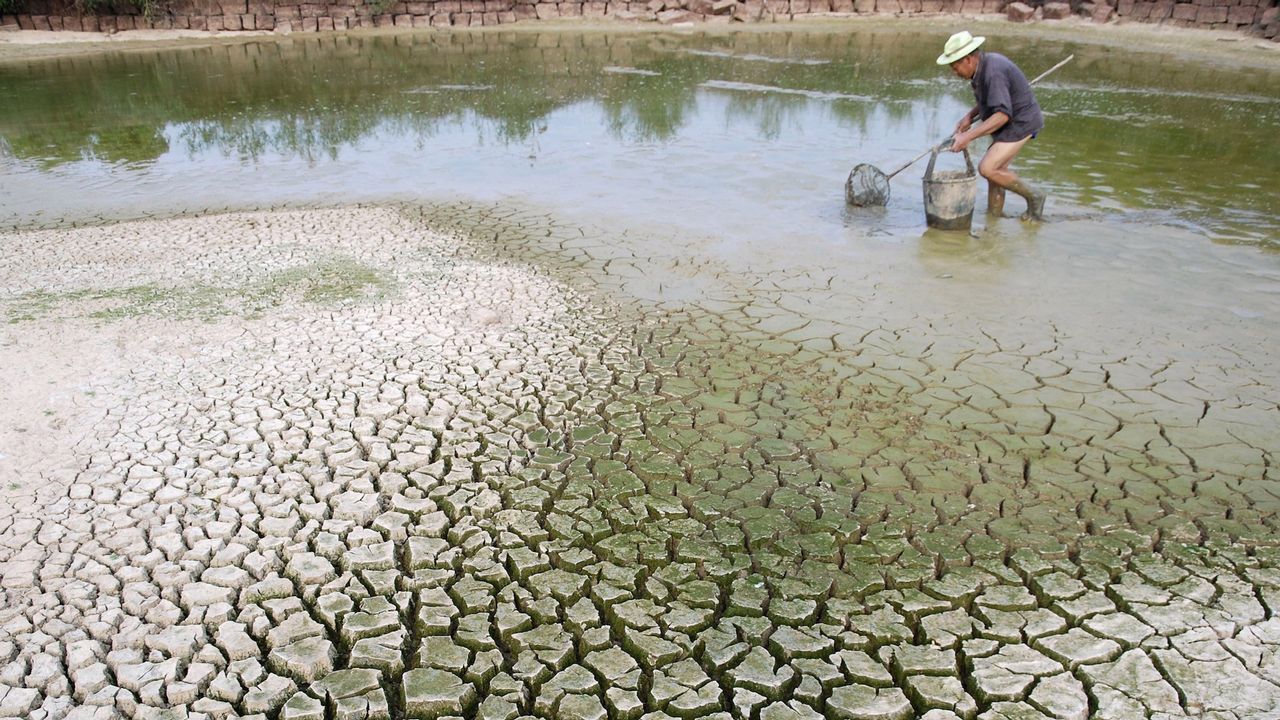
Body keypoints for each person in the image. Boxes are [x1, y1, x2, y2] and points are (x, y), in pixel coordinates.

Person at [937, 31, 1046, 221]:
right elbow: (991, 99)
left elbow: (1003, 115)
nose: (954, 73)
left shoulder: (992, 71)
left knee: (988, 168)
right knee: (996, 173)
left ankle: (1034, 196)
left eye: (955, 67)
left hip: (1020, 122)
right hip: (1009, 121)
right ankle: (994, 220)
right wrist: (969, 116)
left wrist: (967, 137)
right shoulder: (981, 68)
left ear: (968, 60)